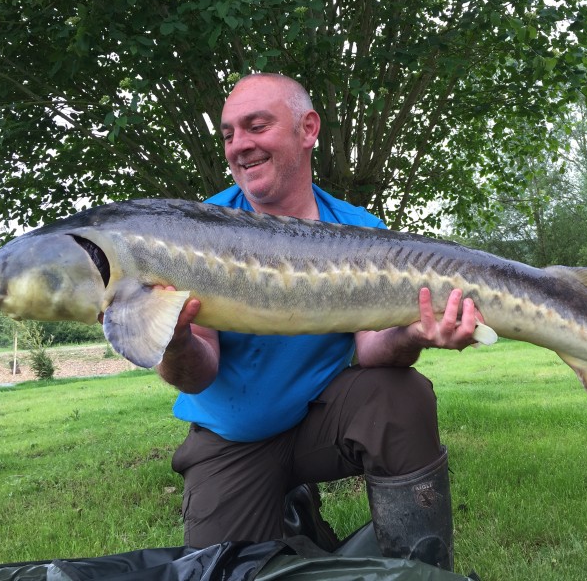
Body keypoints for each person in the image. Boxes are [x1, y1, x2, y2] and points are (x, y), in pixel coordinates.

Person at [157, 73, 482, 571]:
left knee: (402, 394)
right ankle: (294, 516)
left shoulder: (360, 230)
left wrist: (414, 334)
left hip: (320, 417)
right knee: (226, 570)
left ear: (308, 129)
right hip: (232, 437)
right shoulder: (196, 232)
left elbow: (372, 350)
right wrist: (173, 339)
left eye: (256, 127)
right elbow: (197, 374)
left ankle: (421, 572)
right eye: (228, 134)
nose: (239, 145)